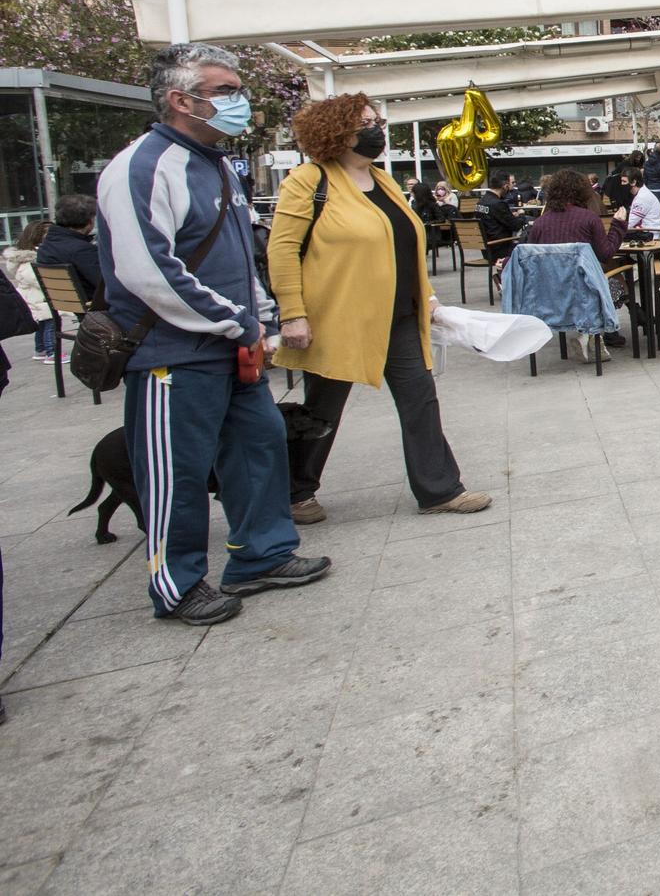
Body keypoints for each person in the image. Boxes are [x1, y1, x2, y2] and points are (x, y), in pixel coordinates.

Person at [97, 43, 331, 626]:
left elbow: (238, 256)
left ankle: (261, 556)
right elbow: (148, 271)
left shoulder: (216, 165)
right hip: (172, 356)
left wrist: (258, 321)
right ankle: (177, 584)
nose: (240, 101)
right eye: (226, 91)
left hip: (233, 349)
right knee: (175, 474)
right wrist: (238, 322)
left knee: (259, 450)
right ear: (182, 100)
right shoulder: (140, 167)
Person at [269, 94, 491, 523]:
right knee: (322, 410)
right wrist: (292, 314)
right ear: (335, 130)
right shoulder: (308, 180)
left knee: (420, 400)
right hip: (339, 318)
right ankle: (297, 492)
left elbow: (403, 243)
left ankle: (440, 489)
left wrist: (423, 293)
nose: (376, 130)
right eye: (364, 122)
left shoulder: (383, 180)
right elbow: (282, 250)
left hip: (399, 317)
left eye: (377, 121)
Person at [522, 169, 628, 346]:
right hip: (585, 295)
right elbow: (606, 253)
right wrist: (618, 225)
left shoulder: (540, 223)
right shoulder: (588, 218)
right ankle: (605, 330)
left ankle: (591, 334)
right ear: (582, 192)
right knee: (618, 279)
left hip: (550, 295)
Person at [5, 221, 55, 363]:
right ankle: (52, 352)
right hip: (40, 300)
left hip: (34, 299)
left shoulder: (26, 259)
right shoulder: (30, 262)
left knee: (41, 325)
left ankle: (40, 349)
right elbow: (38, 280)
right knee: (50, 324)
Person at [38, 193, 103, 300]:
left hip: (69, 306)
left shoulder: (46, 246)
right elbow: (105, 285)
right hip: (96, 309)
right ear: (90, 221)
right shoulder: (81, 250)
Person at [477, 173, 525, 244]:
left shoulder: (480, 202)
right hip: (500, 246)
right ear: (505, 186)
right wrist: (521, 215)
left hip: (487, 246)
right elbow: (516, 226)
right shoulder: (498, 203)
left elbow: (493, 219)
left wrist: (510, 215)